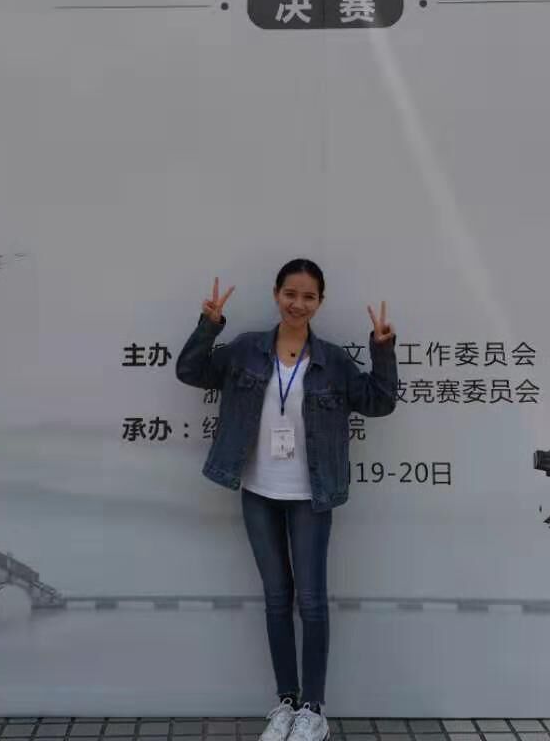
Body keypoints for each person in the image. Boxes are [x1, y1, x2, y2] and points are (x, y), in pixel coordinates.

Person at [176, 259, 398, 741]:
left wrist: (382, 348)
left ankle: (314, 711)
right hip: (258, 491)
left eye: (308, 296)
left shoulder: (333, 361)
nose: (298, 304)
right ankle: (287, 703)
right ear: (277, 294)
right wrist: (209, 324)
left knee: (311, 602)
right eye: (290, 294)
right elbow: (190, 371)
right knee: (277, 600)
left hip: (310, 497)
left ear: (320, 302)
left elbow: (379, 402)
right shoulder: (246, 349)